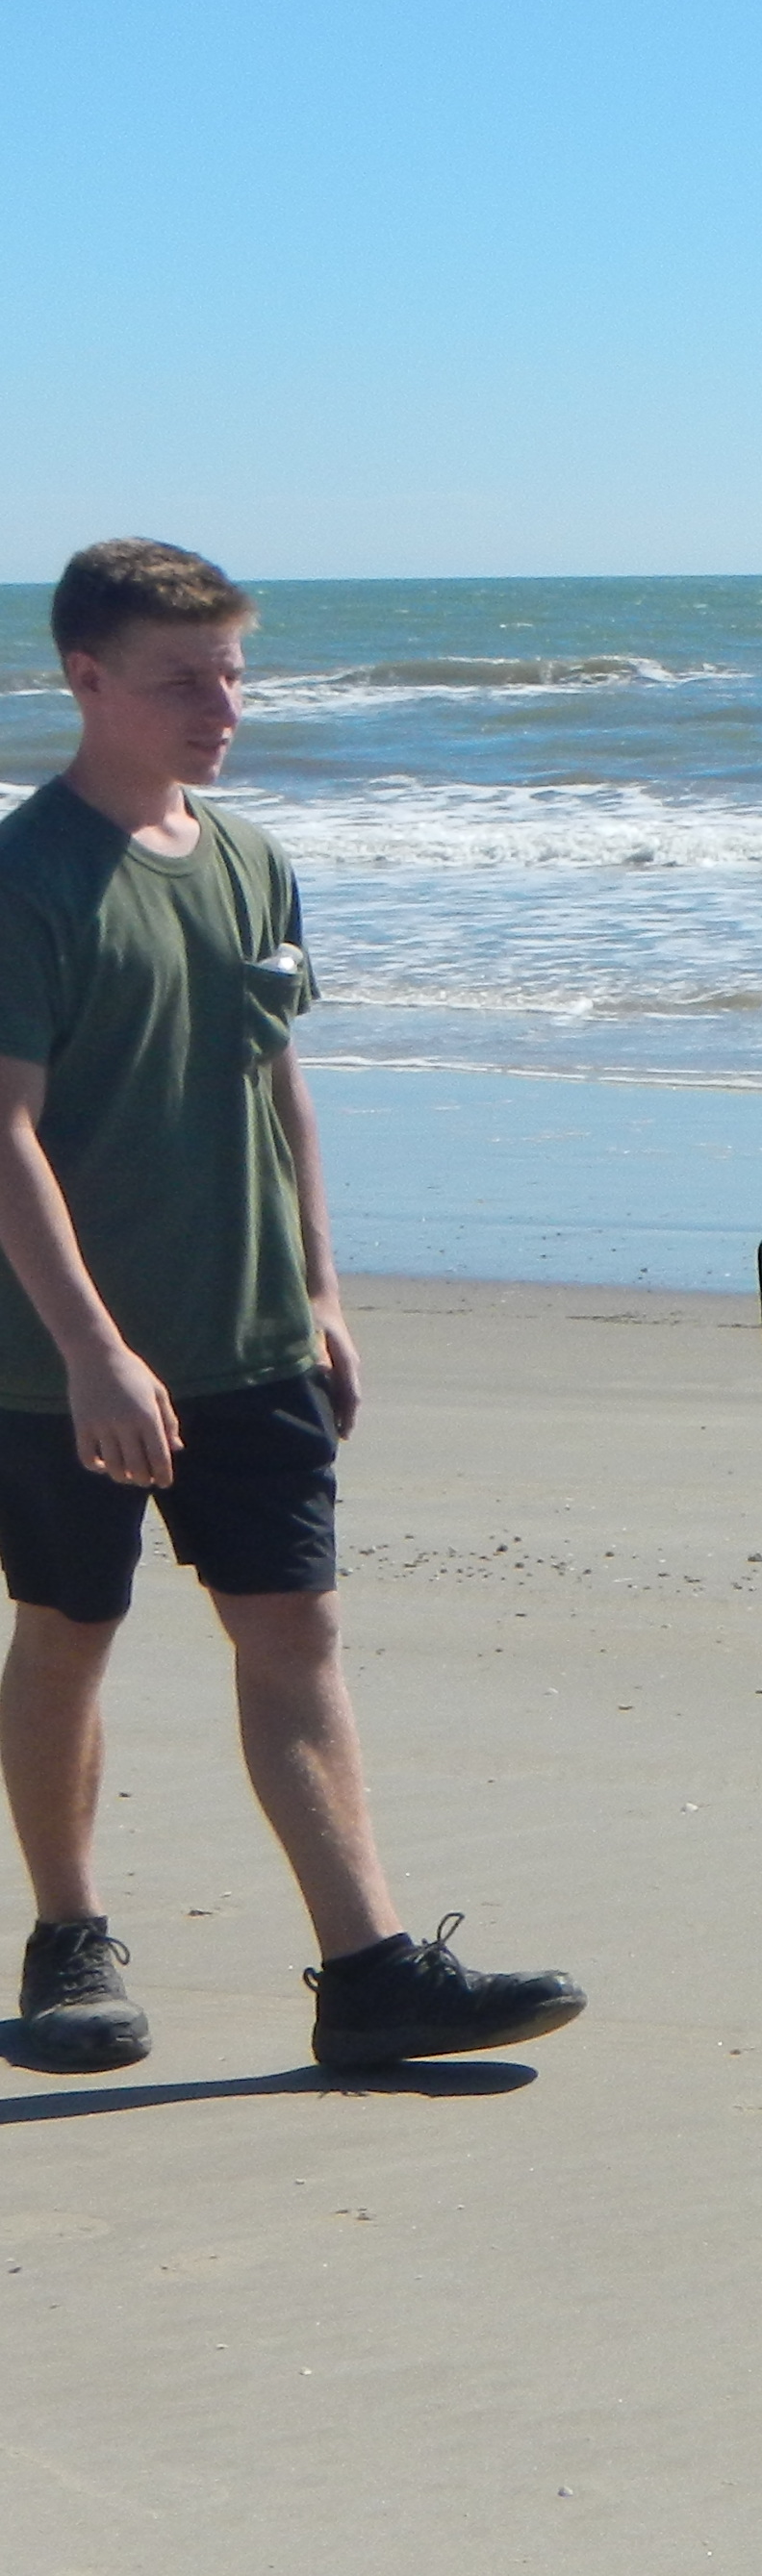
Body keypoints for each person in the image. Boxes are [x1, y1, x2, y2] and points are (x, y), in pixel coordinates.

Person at [0, 541, 581, 2077]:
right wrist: (92, 1349)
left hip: (253, 1331)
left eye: (235, 673)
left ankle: (369, 1969)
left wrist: (323, 1287)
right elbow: (2, 1132)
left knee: (295, 1628)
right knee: (70, 1624)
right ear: (87, 679)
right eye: (185, 677)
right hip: (62, 1362)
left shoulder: (254, 859)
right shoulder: (28, 876)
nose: (223, 705)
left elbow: (278, 1079)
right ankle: (68, 1942)